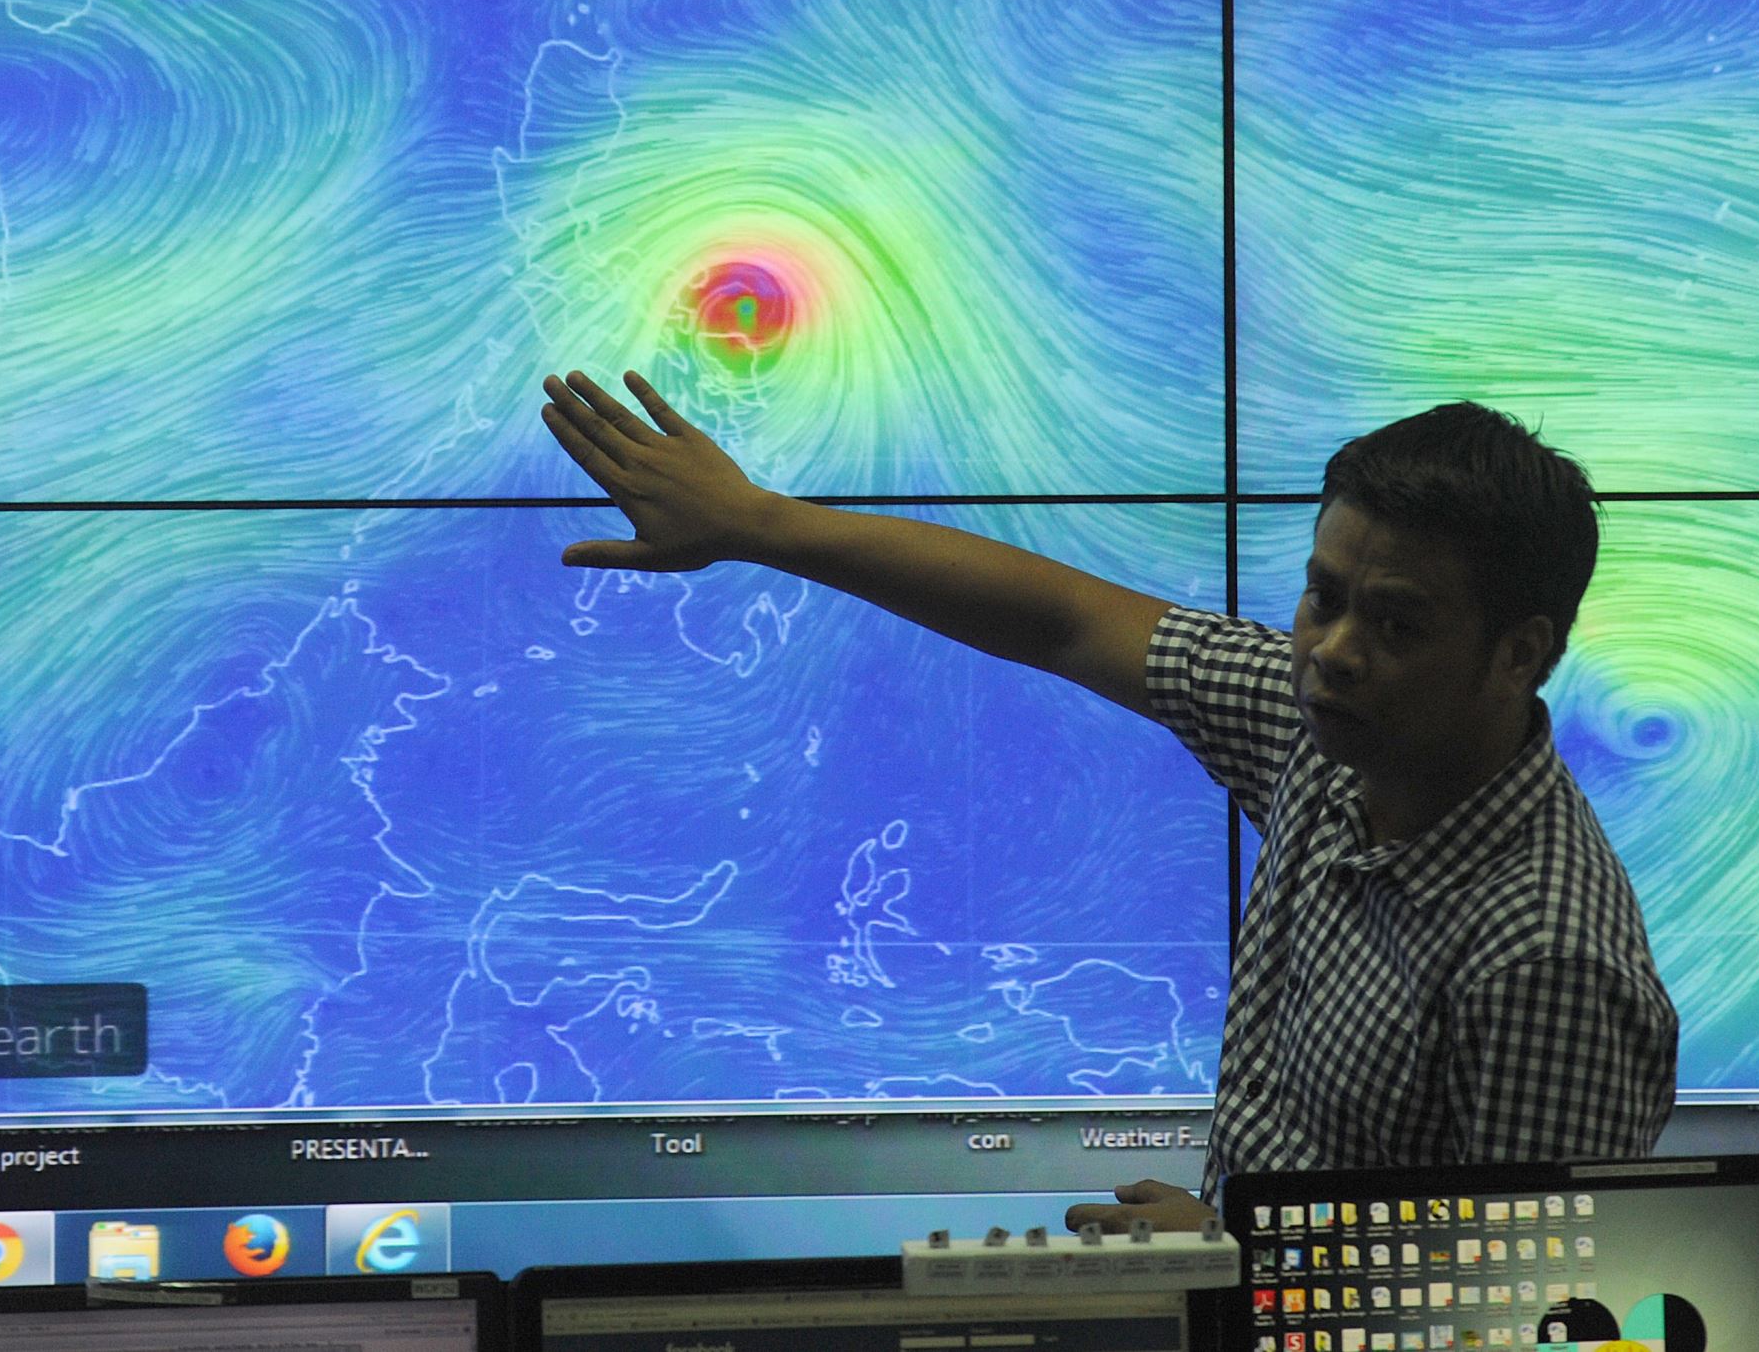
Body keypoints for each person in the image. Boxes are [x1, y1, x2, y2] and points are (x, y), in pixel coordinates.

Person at [540, 372, 1678, 1233]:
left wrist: (1235, 1259)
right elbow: (1064, 620)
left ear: (1518, 652)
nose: (1332, 650)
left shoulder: (1547, 960)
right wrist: (759, 524)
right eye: (1321, 597)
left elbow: (1535, 1304)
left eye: (1396, 623)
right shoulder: (1332, 737)